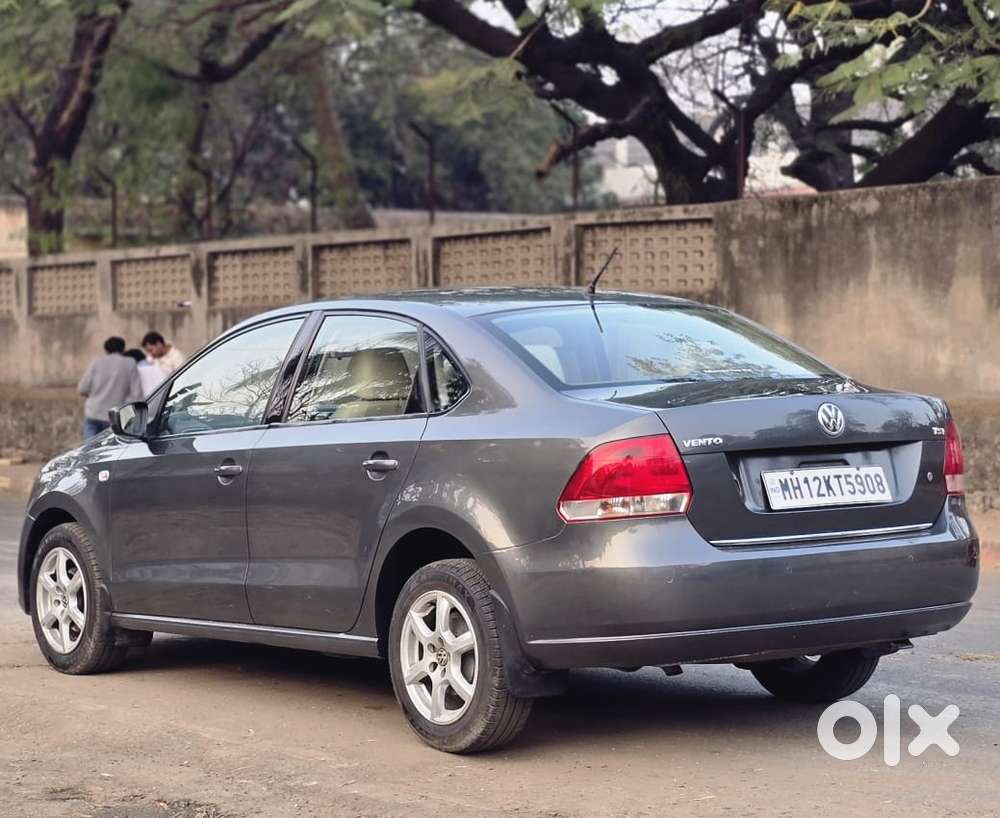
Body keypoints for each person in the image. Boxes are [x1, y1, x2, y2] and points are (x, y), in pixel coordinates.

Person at [78, 337, 143, 439]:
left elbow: (82, 389)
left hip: (94, 413)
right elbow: (137, 394)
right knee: (112, 452)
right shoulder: (130, 363)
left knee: (90, 451)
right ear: (123, 349)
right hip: (116, 417)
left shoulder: (96, 362)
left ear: (106, 350)